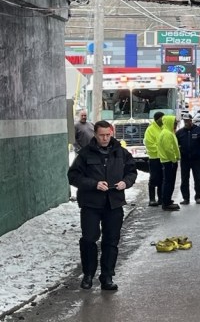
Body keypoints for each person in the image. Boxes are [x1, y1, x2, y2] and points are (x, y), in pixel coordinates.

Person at [67, 120, 137, 291]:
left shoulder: (121, 152)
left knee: (111, 241)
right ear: (95, 134)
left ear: (111, 133)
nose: (105, 138)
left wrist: (125, 183)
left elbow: (132, 171)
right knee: (89, 239)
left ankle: (107, 276)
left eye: (108, 135)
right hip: (91, 204)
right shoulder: (85, 154)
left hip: (114, 203)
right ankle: (88, 274)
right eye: (101, 135)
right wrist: (94, 184)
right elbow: (73, 176)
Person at [176, 114, 200, 204]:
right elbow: (175, 143)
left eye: (188, 120)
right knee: (184, 179)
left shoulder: (198, 130)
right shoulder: (180, 132)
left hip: (196, 159)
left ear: (191, 120)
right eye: (185, 121)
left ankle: (198, 197)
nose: (186, 122)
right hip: (185, 159)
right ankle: (186, 198)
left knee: (198, 178)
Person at [156, 115, 180, 211]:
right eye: (174, 123)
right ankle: (166, 202)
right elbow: (168, 149)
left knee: (169, 182)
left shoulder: (168, 132)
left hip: (168, 160)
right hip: (168, 161)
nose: (175, 125)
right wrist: (174, 159)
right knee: (168, 182)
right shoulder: (167, 134)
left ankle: (167, 200)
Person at [143, 112, 165, 206]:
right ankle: (152, 199)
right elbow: (149, 144)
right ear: (157, 119)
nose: (163, 120)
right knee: (154, 178)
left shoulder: (164, 128)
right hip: (154, 158)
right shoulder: (150, 130)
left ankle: (161, 198)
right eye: (161, 118)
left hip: (163, 158)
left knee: (162, 178)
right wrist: (162, 149)